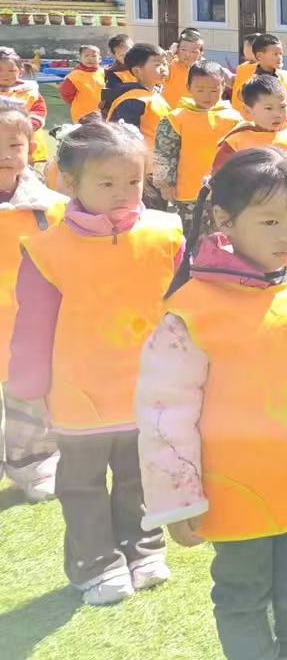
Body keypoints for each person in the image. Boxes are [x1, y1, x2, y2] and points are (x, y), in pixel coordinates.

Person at [135, 149, 287, 660]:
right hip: (234, 485)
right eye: (270, 221)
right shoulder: (193, 311)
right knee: (242, 590)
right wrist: (177, 498)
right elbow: (164, 413)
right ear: (225, 219)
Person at [11, 119, 184, 604]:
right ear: (69, 182)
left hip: (147, 389)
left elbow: (183, 309)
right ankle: (95, 563)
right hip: (78, 393)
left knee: (139, 475)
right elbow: (33, 326)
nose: (123, 194)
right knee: (82, 484)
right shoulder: (48, 250)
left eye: (133, 181)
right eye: (106, 183)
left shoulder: (165, 234)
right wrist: (28, 389)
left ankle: (142, 549)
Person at [0, 102, 67, 503]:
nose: (5, 155)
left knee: (29, 398)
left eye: (14, 145)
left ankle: (34, 465)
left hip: (26, 324)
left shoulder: (50, 207)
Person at [152, 60, 243, 232]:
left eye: (214, 90)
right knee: (194, 235)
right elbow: (164, 153)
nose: (207, 95)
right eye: (200, 90)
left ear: (223, 87)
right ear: (189, 87)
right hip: (189, 191)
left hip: (228, 191)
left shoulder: (234, 118)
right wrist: (165, 183)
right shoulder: (176, 118)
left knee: (224, 237)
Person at [214, 74, 287, 172]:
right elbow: (220, 177)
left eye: (282, 106)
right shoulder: (235, 142)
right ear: (248, 110)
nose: (277, 114)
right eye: (269, 108)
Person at [103, 42, 171, 155]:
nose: (163, 69)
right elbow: (124, 141)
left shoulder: (155, 96)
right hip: (140, 161)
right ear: (137, 71)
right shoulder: (132, 100)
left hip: (157, 161)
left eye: (165, 64)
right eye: (157, 65)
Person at [230, 33, 287, 111]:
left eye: (280, 54)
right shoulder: (252, 77)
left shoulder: (286, 76)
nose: (280, 57)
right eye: (275, 54)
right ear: (259, 55)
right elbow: (243, 97)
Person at [0, 47, 47, 138]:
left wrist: (27, 126)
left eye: (11, 70)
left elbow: (39, 112)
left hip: (25, 138)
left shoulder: (30, 91)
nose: (5, 74)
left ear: (21, 71)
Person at [60, 44, 106, 123]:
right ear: (80, 58)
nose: (90, 58)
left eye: (94, 56)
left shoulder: (104, 73)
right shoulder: (73, 76)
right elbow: (66, 94)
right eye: (86, 56)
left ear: (100, 59)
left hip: (103, 113)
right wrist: (79, 103)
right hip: (82, 114)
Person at [160, 29, 205, 108]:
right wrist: (170, 53)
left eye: (194, 51)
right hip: (169, 113)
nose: (187, 54)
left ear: (201, 54)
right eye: (183, 50)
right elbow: (154, 70)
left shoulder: (204, 70)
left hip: (192, 113)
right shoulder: (171, 66)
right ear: (177, 50)